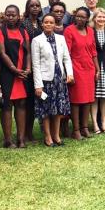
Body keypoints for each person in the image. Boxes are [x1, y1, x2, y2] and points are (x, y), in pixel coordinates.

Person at [31, 14, 73, 147]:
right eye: (46, 22)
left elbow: (66, 58)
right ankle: (48, 137)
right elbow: (35, 64)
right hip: (45, 81)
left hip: (59, 79)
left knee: (58, 109)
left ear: (55, 24)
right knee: (46, 110)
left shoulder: (61, 38)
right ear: (42, 24)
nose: (49, 24)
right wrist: (38, 85)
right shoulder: (37, 41)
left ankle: (56, 136)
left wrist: (69, 74)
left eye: (51, 22)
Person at [0, 5, 32, 148]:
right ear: (4, 16)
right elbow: (2, 53)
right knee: (7, 105)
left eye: (13, 15)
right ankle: (8, 140)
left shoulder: (23, 31)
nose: (11, 17)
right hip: (8, 73)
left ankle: (21, 139)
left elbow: (28, 52)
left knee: (22, 104)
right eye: (8, 15)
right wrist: (14, 69)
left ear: (18, 16)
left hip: (22, 73)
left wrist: (28, 68)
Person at [64, 7, 99, 139]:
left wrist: (97, 69)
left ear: (87, 19)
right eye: (78, 16)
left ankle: (85, 128)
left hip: (89, 69)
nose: (80, 19)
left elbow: (94, 52)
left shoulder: (90, 31)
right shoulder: (69, 30)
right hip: (75, 68)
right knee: (76, 100)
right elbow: (66, 52)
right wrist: (69, 72)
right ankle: (76, 129)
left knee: (88, 99)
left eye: (83, 17)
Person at [21, 0, 43, 143]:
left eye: (37, 5)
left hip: (40, 67)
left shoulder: (42, 23)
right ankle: (25, 133)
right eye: (32, 5)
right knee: (26, 102)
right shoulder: (23, 24)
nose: (35, 8)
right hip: (26, 67)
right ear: (27, 8)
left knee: (35, 102)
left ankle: (30, 131)